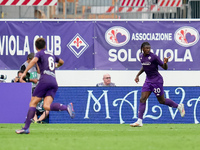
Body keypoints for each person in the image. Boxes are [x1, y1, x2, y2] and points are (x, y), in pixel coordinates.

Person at [16, 37, 75, 134]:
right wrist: (56, 66)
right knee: (46, 106)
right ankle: (66, 107)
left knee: (33, 103)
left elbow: (34, 61)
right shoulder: (51, 54)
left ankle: (26, 128)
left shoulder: (39, 53)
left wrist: (24, 72)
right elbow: (62, 62)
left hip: (44, 80)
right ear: (45, 46)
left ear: (36, 47)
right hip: (53, 81)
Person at [130, 42, 185, 127]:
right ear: (142, 49)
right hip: (148, 81)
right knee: (142, 99)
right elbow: (145, 66)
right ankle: (139, 121)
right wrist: (138, 75)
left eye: (149, 48)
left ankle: (179, 106)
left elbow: (164, 68)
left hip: (157, 81)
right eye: (146, 48)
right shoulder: (141, 56)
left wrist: (165, 62)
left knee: (162, 101)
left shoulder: (154, 57)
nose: (148, 50)